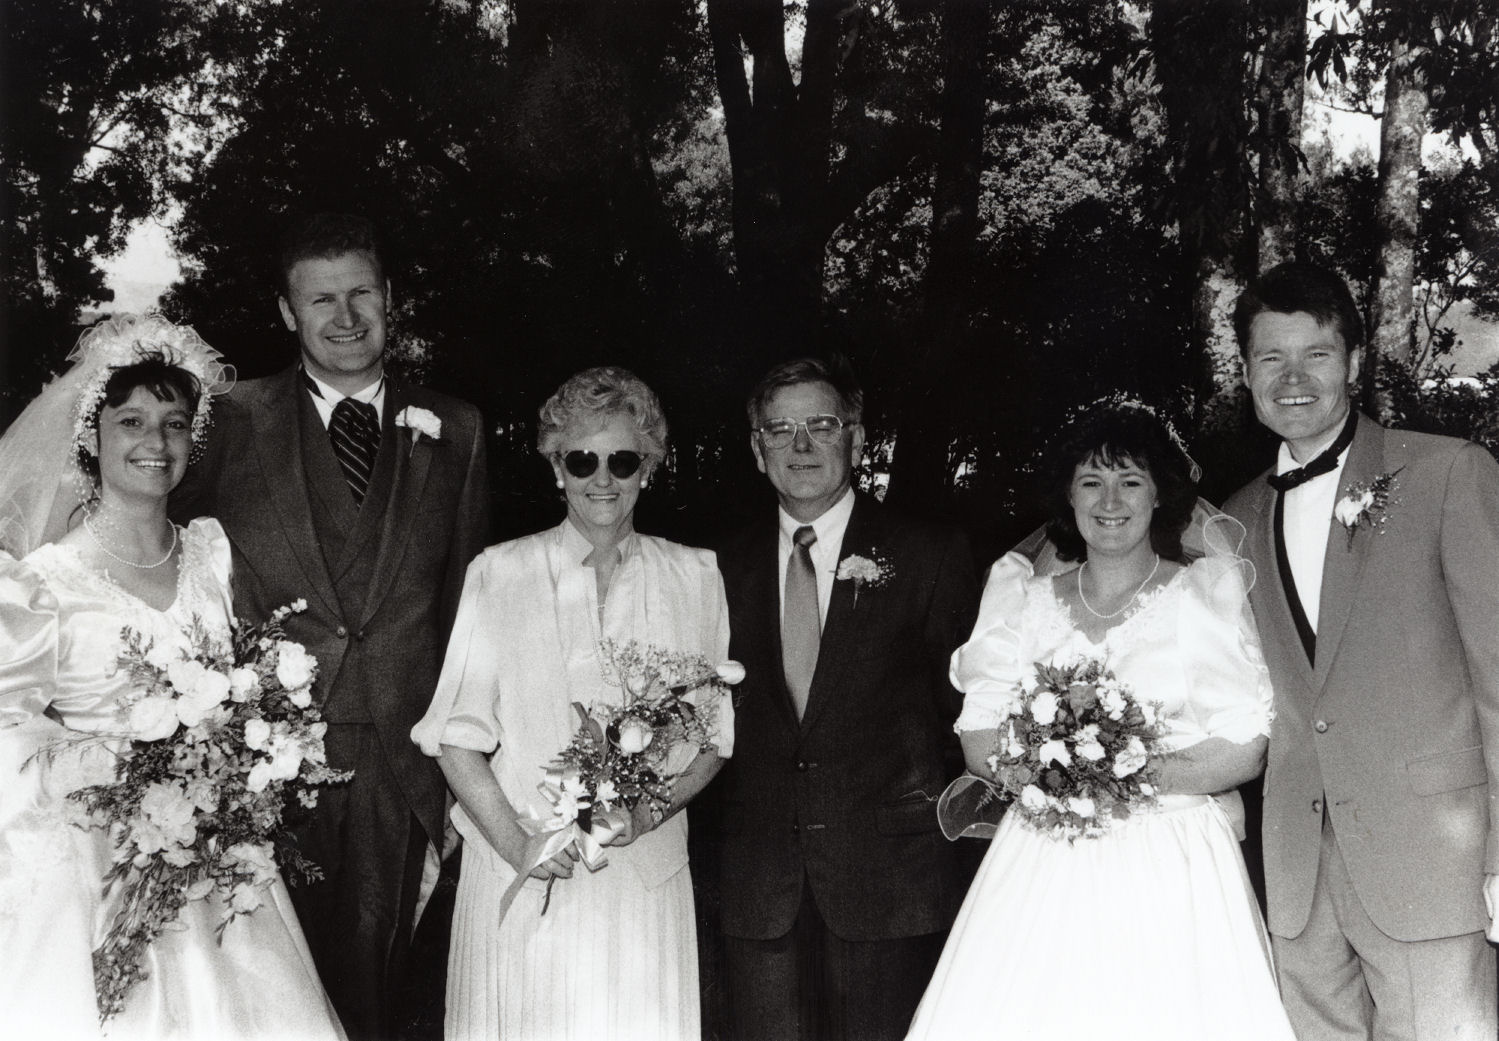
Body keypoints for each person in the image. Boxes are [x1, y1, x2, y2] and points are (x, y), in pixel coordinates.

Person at [171, 213, 490, 1039]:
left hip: (404, 753)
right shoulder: (225, 420)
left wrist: (469, 753)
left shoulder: (455, 426)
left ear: (391, 300)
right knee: (273, 984)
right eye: (321, 300)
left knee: (382, 984)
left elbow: (466, 600)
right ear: (286, 312)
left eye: (361, 295)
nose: (345, 318)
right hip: (268, 764)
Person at [0, 313, 345, 1039]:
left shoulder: (213, 554)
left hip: (219, 856)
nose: (155, 443)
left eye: (175, 423)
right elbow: (9, 726)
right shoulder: (41, 581)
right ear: (91, 437)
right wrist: (110, 764)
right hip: (99, 860)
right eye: (131, 421)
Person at [906, 398, 1294, 1040]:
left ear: (1159, 496)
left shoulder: (1200, 596)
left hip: (1173, 862)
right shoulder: (1021, 601)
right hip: (1043, 858)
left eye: (1130, 481)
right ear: (1068, 495)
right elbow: (979, 738)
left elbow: (1246, 746)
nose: (1109, 500)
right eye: (1092, 481)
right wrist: (1056, 775)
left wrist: (1118, 772)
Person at [411, 366, 731, 1041]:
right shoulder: (499, 572)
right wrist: (519, 841)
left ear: (649, 465)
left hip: (640, 880)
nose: (602, 477)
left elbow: (711, 740)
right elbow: (454, 738)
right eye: (581, 458)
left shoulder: (696, 575)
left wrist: (642, 813)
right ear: (556, 467)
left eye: (623, 458)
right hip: (524, 867)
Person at [1223, 261, 1499, 1040]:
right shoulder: (1233, 519)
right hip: (1296, 876)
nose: (1292, 377)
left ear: (1352, 361)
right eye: (1269, 358)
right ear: (1245, 374)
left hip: (1432, 866)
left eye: (1314, 353)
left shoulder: (1447, 473)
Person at [715, 357, 979, 1041]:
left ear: (857, 441)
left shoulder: (930, 555)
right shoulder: (714, 566)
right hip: (758, 889)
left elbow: (964, 721)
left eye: (820, 425)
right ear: (755, 448)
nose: (800, 446)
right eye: (779, 429)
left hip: (888, 883)